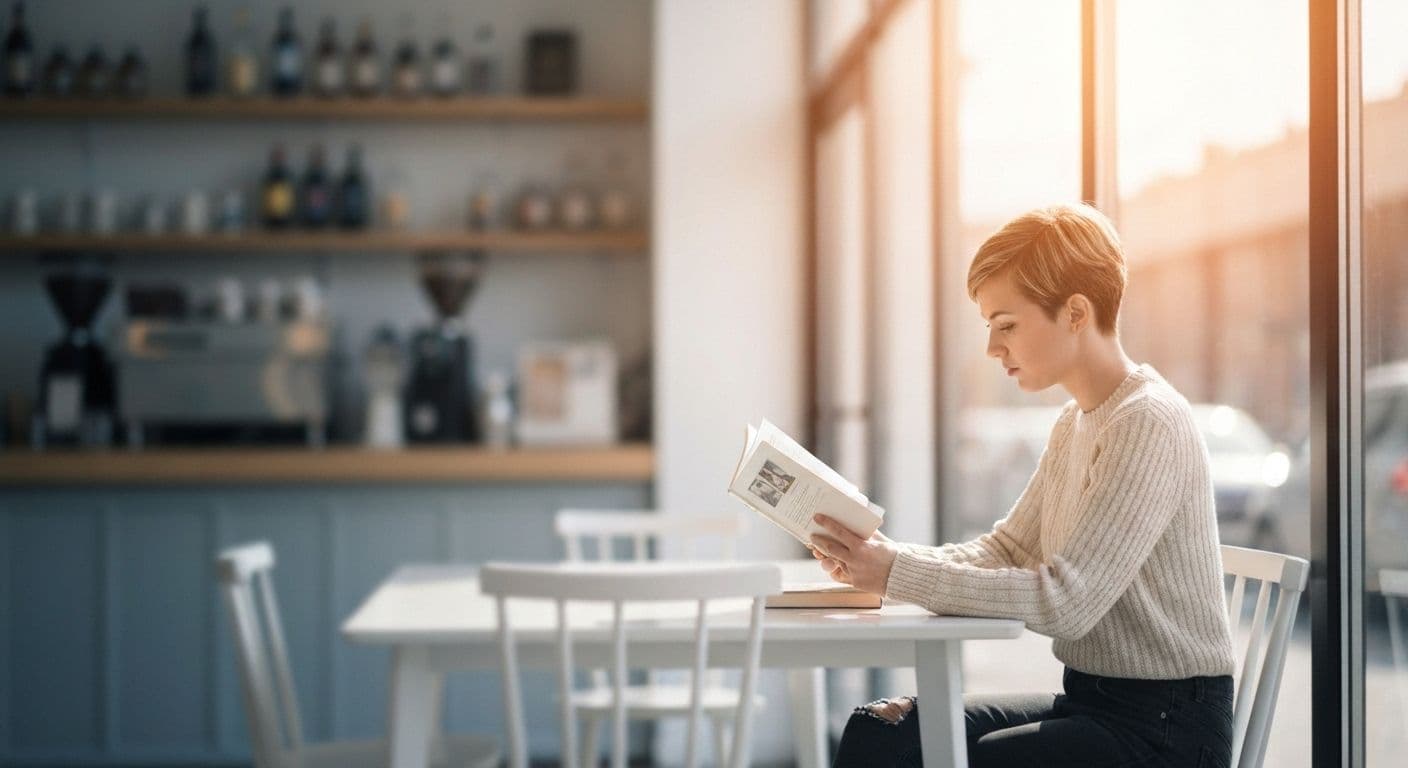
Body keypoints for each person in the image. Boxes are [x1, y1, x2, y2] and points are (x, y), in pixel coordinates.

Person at [814, 203, 1237, 768]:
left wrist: (895, 572)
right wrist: (879, 559)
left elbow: (1068, 601)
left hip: (1167, 731)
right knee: (882, 732)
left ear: (1076, 313)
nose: (992, 348)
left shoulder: (1147, 420)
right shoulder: (1076, 422)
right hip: (1091, 703)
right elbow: (1006, 550)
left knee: (978, 759)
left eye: (1006, 325)